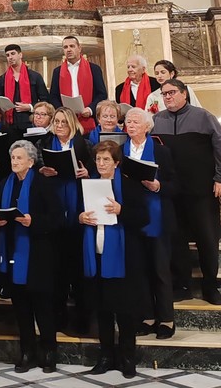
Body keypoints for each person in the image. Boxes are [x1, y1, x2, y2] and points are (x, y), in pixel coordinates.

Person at [152, 78, 221, 304]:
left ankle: (210, 286)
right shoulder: (157, 120)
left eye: (171, 93)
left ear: (184, 94)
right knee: (176, 240)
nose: (167, 97)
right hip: (172, 193)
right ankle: (182, 285)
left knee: (207, 240)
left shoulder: (203, 117)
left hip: (202, 191)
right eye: (164, 94)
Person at [79, 140, 149, 378]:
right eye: (98, 159)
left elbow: (143, 218)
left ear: (116, 163)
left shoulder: (130, 187)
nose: (101, 164)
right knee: (103, 311)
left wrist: (122, 211)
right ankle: (106, 357)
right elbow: (79, 213)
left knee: (125, 312)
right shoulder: (88, 185)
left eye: (106, 159)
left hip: (123, 258)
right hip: (96, 255)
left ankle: (127, 358)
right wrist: (80, 217)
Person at [0, 140, 63, 373]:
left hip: (38, 253)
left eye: (19, 158)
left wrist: (35, 222)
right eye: (13, 158)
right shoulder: (4, 184)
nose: (15, 162)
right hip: (13, 252)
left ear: (31, 162)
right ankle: (27, 352)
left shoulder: (43, 184)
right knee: (21, 308)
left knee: (43, 307)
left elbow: (57, 219)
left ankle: (49, 352)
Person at [123, 108, 178, 339]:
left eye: (136, 121)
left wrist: (158, 186)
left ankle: (166, 319)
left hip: (157, 216)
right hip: (130, 216)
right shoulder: (120, 150)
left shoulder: (161, 151)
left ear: (147, 126)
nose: (131, 125)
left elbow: (176, 185)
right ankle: (147, 316)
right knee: (139, 269)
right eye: (127, 121)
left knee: (160, 269)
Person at [39, 107, 93, 333]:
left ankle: (83, 321)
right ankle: (58, 319)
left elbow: (97, 169)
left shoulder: (84, 145)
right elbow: (37, 169)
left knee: (78, 272)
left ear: (72, 124)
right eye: (56, 122)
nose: (59, 125)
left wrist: (87, 173)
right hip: (54, 209)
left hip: (78, 208)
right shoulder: (45, 144)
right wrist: (43, 170)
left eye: (63, 122)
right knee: (56, 272)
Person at [49, 36, 107, 134]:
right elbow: (53, 96)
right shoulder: (57, 71)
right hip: (66, 120)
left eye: (72, 46)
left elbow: (102, 94)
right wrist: (63, 112)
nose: (69, 50)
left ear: (79, 48)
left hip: (88, 118)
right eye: (65, 47)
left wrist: (90, 109)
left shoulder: (94, 69)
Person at [0, 44, 50, 131]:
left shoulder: (35, 76)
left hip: (30, 122)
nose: (10, 57)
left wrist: (30, 107)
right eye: (7, 55)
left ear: (20, 55)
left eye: (13, 53)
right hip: (9, 124)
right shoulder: (2, 79)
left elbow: (46, 100)